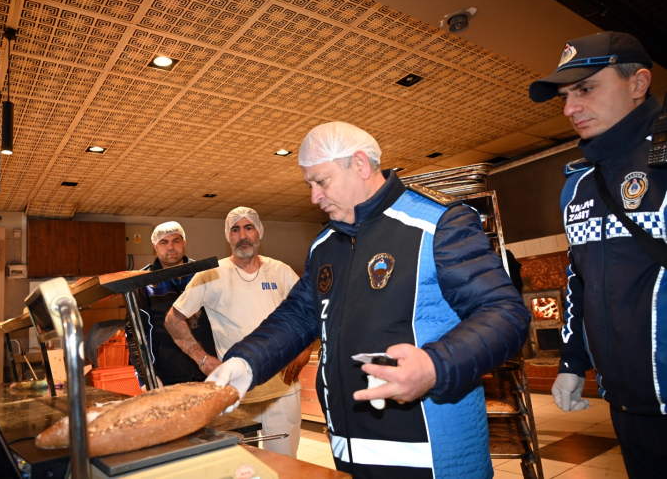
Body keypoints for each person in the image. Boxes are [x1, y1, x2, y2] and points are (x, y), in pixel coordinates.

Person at [208, 122, 530, 478]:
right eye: (309, 185)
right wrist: (246, 362)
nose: (314, 197)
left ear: (360, 164)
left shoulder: (438, 223)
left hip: (433, 455)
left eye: (321, 181)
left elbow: (505, 313)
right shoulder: (325, 245)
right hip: (351, 451)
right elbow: (298, 316)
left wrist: (435, 366)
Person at [529, 31, 667, 477]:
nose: (570, 109)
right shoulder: (579, 184)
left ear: (638, 83)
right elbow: (579, 279)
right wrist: (573, 361)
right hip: (626, 405)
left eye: (585, 89)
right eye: (565, 97)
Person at [165, 207, 311, 458]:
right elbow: (173, 319)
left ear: (259, 232)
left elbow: (309, 312)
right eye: (235, 229)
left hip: (282, 392)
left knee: (284, 466)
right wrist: (202, 359)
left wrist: (305, 349)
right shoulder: (210, 274)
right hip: (236, 394)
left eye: (248, 228)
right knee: (241, 466)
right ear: (228, 236)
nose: (243, 235)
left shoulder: (281, 271)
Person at [125, 222, 216, 388]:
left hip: (208, 369)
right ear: (155, 247)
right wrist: (146, 377)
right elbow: (135, 334)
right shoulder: (143, 282)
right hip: (165, 377)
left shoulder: (203, 275)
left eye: (176, 241)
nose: (171, 247)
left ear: (184, 243)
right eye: (164, 242)